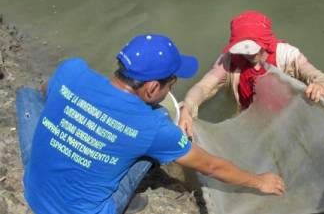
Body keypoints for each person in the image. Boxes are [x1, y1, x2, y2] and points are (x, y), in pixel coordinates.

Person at [16, 34, 285, 214]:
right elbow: (211, 166)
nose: (172, 86)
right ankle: (124, 200)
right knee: (151, 153)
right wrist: (258, 181)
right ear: (153, 88)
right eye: (172, 82)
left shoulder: (71, 70)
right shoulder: (153, 124)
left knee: (27, 95)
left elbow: (46, 88)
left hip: (34, 189)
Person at [179, 10, 324, 137]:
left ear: (265, 41)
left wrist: (320, 85)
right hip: (249, 117)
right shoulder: (229, 61)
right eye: (242, 49)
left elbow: (315, 74)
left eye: (252, 49)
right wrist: (188, 106)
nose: (247, 55)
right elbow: (204, 86)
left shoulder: (287, 54)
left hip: (285, 114)